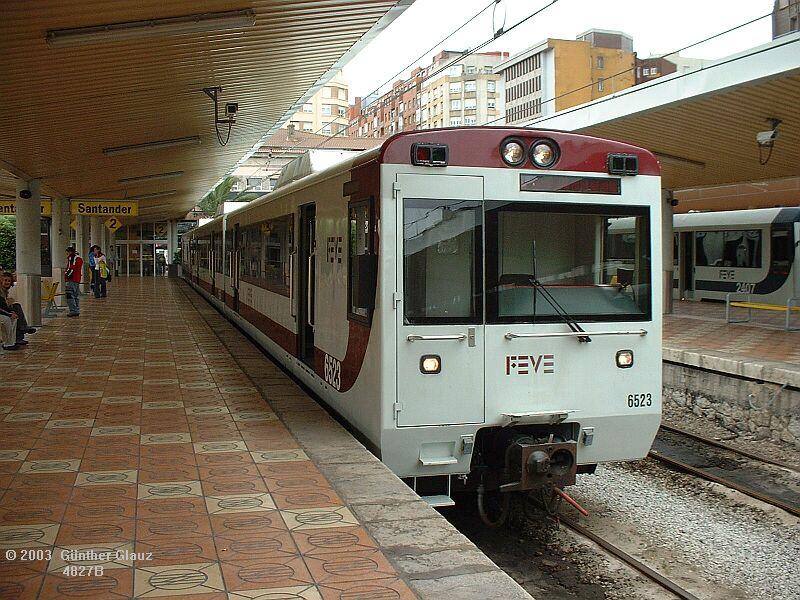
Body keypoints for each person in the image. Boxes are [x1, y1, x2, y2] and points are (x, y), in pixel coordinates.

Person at [0, 272, 35, 346]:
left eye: (9, 281)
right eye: (5, 280)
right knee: (15, 310)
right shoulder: (1, 291)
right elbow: (2, 306)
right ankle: (22, 330)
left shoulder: (4, 291)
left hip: (4, 311)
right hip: (2, 312)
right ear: (1, 281)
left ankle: (20, 334)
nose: (7, 282)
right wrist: (10, 313)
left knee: (16, 307)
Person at [65, 246, 83, 317]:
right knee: (75, 295)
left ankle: (73, 310)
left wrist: (66, 274)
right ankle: (76, 310)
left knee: (69, 295)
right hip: (77, 279)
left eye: (67, 253)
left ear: (69, 252)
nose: (66, 255)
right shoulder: (78, 258)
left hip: (71, 279)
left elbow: (71, 268)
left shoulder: (72, 258)